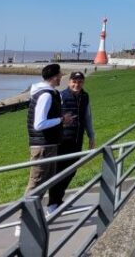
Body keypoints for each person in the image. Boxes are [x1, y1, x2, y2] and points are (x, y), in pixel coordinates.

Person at [26, 63, 73, 208]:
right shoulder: (46, 95)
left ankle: (33, 214)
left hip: (48, 144)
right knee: (36, 184)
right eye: (60, 74)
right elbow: (39, 124)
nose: (61, 76)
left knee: (44, 182)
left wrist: (61, 122)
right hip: (43, 147)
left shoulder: (50, 93)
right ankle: (24, 217)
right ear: (54, 77)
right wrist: (61, 120)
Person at [48, 71, 95, 212]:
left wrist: (91, 136)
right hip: (62, 141)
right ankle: (52, 204)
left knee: (72, 171)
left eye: (80, 82)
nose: (77, 84)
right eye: (74, 81)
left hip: (77, 139)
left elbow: (87, 117)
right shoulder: (61, 96)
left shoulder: (85, 96)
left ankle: (59, 200)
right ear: (69, 82)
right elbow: (52, 117)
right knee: (59, 171)